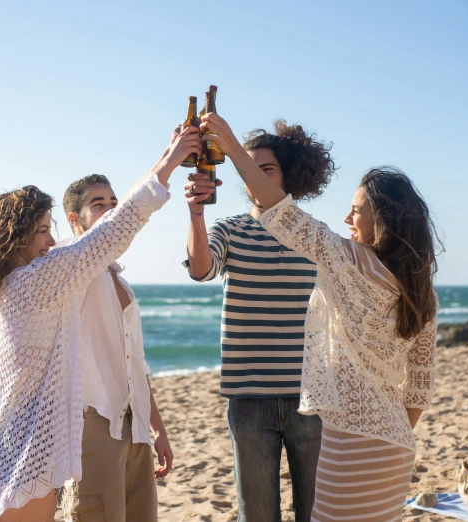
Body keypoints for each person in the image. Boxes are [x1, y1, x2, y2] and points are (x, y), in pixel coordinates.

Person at [200, 111, 439, 522]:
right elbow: (418, 389)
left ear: (381, 217)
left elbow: (282, 213)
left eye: (355, 209)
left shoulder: (346, 260)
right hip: (397, 445)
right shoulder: (420, 289)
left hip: (348, 444)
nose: (347, 218)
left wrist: (232, 147)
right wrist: (384, 430)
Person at [0, 126, 201, 522]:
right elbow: (115, 229)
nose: (50, 241)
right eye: (40, 231)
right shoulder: (37, 281)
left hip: (7, 443)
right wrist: (170, 161)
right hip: (29, 447)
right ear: (13, 237)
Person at [184, 119, 336, 521]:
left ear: (289, 177)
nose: (252, 177)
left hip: (312, 400)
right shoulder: (229, 229)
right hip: (248, 400)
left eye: (265, 169)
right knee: (257, 516)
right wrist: (196, 214)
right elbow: (201, 269)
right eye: (246, 168)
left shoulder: (311, 235)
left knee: (317, 514)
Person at [57, 174, 173, 522]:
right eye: (98, 204)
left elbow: (135, 362)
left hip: (133, 421)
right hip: (94, 418)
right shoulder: (68, 265)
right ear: (74, 219)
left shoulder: (119, 279)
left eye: (113, 203)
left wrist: (157, 428)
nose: (110, 210)